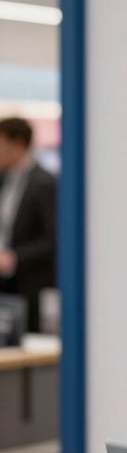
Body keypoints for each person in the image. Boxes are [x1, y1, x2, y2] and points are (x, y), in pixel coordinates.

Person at [0, 117, 56, 333]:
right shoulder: (4, 181)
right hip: (5, 285)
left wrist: (14, 257)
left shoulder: (45, 183)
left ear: (19, 144)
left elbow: (52, 240)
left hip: (30, 285)